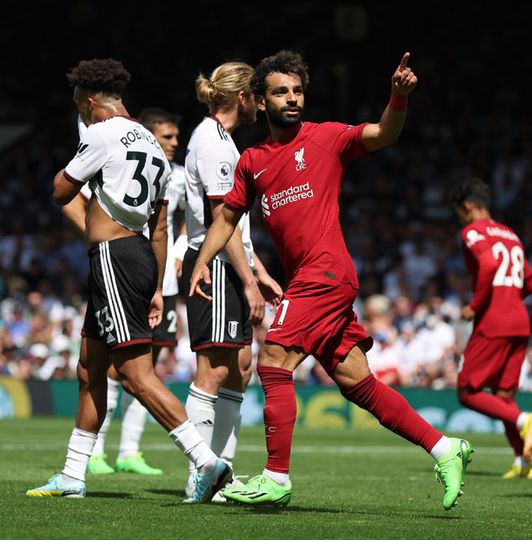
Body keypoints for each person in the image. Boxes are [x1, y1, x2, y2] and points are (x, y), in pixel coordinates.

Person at [188, 50, 473, 511]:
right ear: (260, 101)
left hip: (326, 274)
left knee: (274, 359)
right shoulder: (251, 161)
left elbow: (384, 134)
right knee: (356, 381)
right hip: (308, 277)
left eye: (298, 90)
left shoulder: (326, 137)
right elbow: (226, 218)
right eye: (281, 92)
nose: (293, 98)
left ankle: (275, 477)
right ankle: (445, 448)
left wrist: (397, 98)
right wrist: (203, 260)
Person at [25, 58, 230, 502]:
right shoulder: (154, 147)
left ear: (93, 102)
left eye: (82, 108)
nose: (82, 115)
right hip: (136, 257)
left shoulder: (100, 134)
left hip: (113, 258)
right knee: (89, 368)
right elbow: (159, 228)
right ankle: (73, 475)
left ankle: (205, 460)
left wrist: (65, 171)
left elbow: (62, 192)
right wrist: (155, 286)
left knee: (135, 375)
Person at [62, 108, 185, 477]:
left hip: (157, 282)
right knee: (117, 371)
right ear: (148, 135)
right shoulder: (117, 155)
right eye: (167, 137)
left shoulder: (173, 174)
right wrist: (98, 230)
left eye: (176, 137)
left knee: (141, 369)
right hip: (131, 269)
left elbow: (174, 226)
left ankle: (130, 451)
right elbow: (71, 197)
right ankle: (90, 458)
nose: (174, 144)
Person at [182, 61, 282, 499]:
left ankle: (224, 471)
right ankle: (200, 475)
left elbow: (237, 223)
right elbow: (222, 222)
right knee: (214, 368)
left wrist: (259, 269)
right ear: (242, 97)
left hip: (233, 260)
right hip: (216, 263)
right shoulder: (214, 144)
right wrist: (248, 281)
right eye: (258, 95)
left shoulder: (224, 141)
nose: (263, 104)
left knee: (239, 369)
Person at [448, 178, 532, 479]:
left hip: (494, 320)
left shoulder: (472, 231)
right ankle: (524, 463)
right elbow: (529, 283)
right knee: (504, 395)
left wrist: (475, 305)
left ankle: (524, 419)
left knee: (467, 391)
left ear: (467, 207)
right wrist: (509, 298)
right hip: (520, 321)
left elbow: (488, 265)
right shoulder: (510, 234)